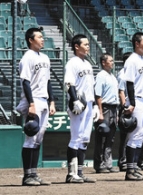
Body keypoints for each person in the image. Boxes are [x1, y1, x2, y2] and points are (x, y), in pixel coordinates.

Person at [17, 27, 56, 186]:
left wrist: (52, 101)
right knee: (31, 137)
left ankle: (34, 173)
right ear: (31, 40)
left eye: (42, 37)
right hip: (33, 99)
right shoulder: (27, 58)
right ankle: (27, 176)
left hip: (44, 99)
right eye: (39, 37)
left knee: (38, 139)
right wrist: (31, 103)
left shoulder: (45, 58)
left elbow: (48, 81)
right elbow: (25, 82)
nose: (43, 39)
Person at [63, 34, 97, 183]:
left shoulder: (87, 64)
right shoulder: (72, 63)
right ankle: (71, 174)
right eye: (85, 44)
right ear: (77, 46)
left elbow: (92, 87)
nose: (88, 46)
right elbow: (69, 84)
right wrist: (75, 100)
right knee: (76, 138)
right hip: (79, 105)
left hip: (88, 104)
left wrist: (95, 105)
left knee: (84, 139)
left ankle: (80, 172)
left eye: (88, 44)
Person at [121, 32, 143, 181]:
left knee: (140, 136)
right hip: (137, 101)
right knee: (134, 135)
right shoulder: (132, 60)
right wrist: (132, 103)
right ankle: (129, 171)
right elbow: (129, 83)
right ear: (137, 43)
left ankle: (134, 168)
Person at [93, 53, 120, 174]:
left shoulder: (112, 76)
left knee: (111, 138)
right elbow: (98, 95)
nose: (113, 63)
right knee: (102, 136)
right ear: (104, 62)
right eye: (110, 61)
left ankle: (108, 164)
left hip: (114, 108)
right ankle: (100, 164)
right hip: (104, 108)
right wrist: (100, 111)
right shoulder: (101, 76)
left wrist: (117, 113)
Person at [116, 52, 132, 172]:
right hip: (126, 107)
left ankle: (130, 160)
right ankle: (123, 161)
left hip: (132, 105)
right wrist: (125, 106)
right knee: (126, 136)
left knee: (132, 136)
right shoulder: (123, 74)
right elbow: (121, 91)